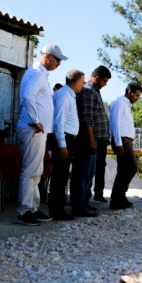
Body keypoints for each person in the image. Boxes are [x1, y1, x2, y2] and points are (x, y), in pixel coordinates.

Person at [16, 43, 67, 226]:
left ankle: (33, 208)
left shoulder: (38, 73)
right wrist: (35, 119)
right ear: (48, 57)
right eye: (57, 60)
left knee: (36, 171)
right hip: (33, 129)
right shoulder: (38, 74)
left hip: (36, 130)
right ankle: (24, 211)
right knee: (31, 171)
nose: (59, 64)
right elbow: (28, 96)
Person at [71, 65, 112, 217]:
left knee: (89, 174)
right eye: (105, 81)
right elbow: (87, 119)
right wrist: (91, 142)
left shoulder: (94, 90)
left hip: (95, 139)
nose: (105, 84)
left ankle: (83, 202)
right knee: (82, 173)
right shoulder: (88, 91)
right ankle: (78, 206)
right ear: (97, 78)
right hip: (88, 139)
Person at [47, 70, 85, 220]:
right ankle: (56, 210)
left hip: (68, 138)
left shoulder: (69, 95)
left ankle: (59, 208)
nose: (83, 85)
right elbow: (58, 122)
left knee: (62, 175)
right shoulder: (63, 95)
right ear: (75, 82)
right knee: (59, 175)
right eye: (82, 82)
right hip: (63, 139)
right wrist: (62, 145)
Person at [109, 83, 142, 209]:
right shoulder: (120, 103)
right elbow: (115, 124)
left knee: (124, 169)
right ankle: (118, 197)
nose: (137, 98)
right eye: (136, 95)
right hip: (121, 141)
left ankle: (118, 198)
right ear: (129, 91)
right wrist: (118, 142)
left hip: (126, 140)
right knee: (131, 167)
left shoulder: (127, 105)